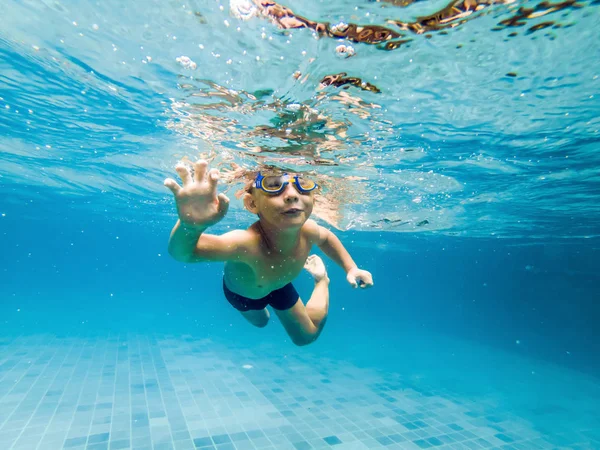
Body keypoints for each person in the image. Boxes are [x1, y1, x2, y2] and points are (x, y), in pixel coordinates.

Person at [164, 160, 374, 346]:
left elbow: (327, 237)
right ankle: (262, 312)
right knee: (261, 322)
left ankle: (321, 281)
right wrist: (190, 227)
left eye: (303, 186)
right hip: (244, 296)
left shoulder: (309, 230)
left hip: (280, 285)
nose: (292, 195)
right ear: (252, 203)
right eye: (274, 186)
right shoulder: (245, 243)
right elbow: (184, 254)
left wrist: (351, 267)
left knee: (305, 338)